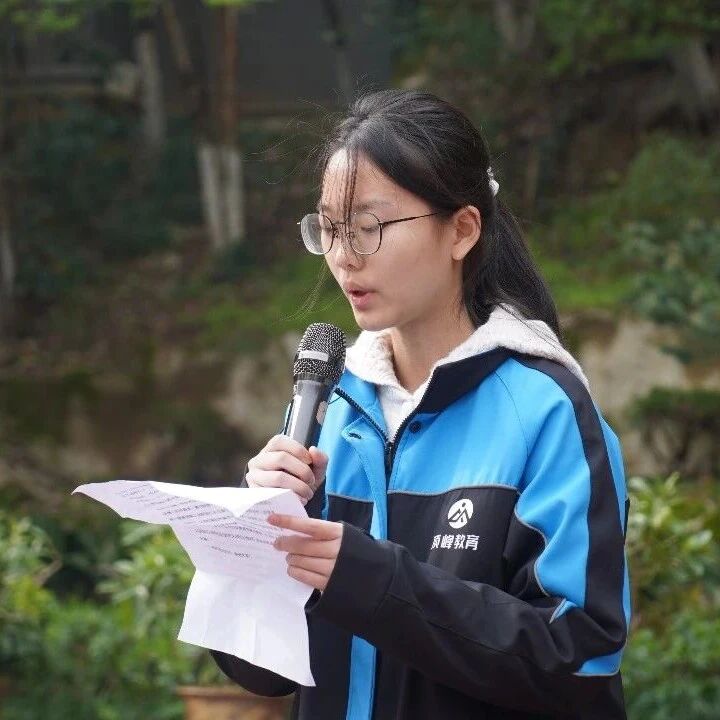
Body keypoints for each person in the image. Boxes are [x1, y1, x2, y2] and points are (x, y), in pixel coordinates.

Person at [210, 89, 631, 720]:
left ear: (462, 229)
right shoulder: (330, 408)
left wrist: (373, 580)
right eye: (329, 229)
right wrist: (250, 540)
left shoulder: (546, 413)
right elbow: (259, 673)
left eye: (369, 228)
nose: (343, 256)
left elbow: (579, 659)